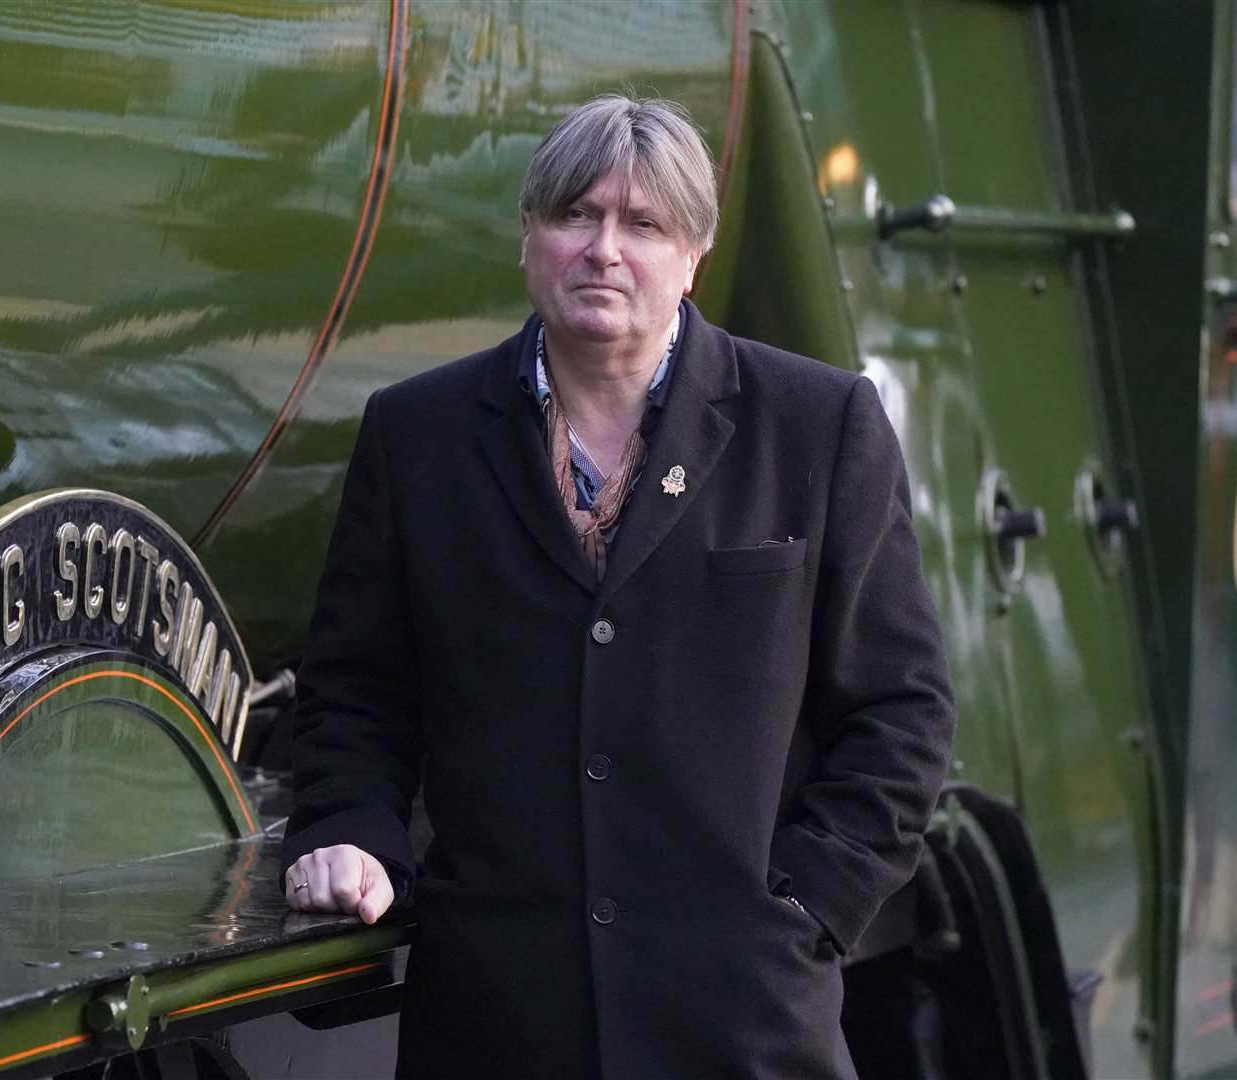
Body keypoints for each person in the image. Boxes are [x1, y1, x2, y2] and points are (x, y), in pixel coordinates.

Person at [280, 93, 956, 1079]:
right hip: (497, 1023)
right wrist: (350, 832)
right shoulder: (415, 436)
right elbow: (354, 694)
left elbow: (904, 709)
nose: (604, 249)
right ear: (529, 238)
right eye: (574, 215)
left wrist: (809, 907)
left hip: (745, 1024)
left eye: (643, 224)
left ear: (693, 254)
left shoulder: (820, 426)